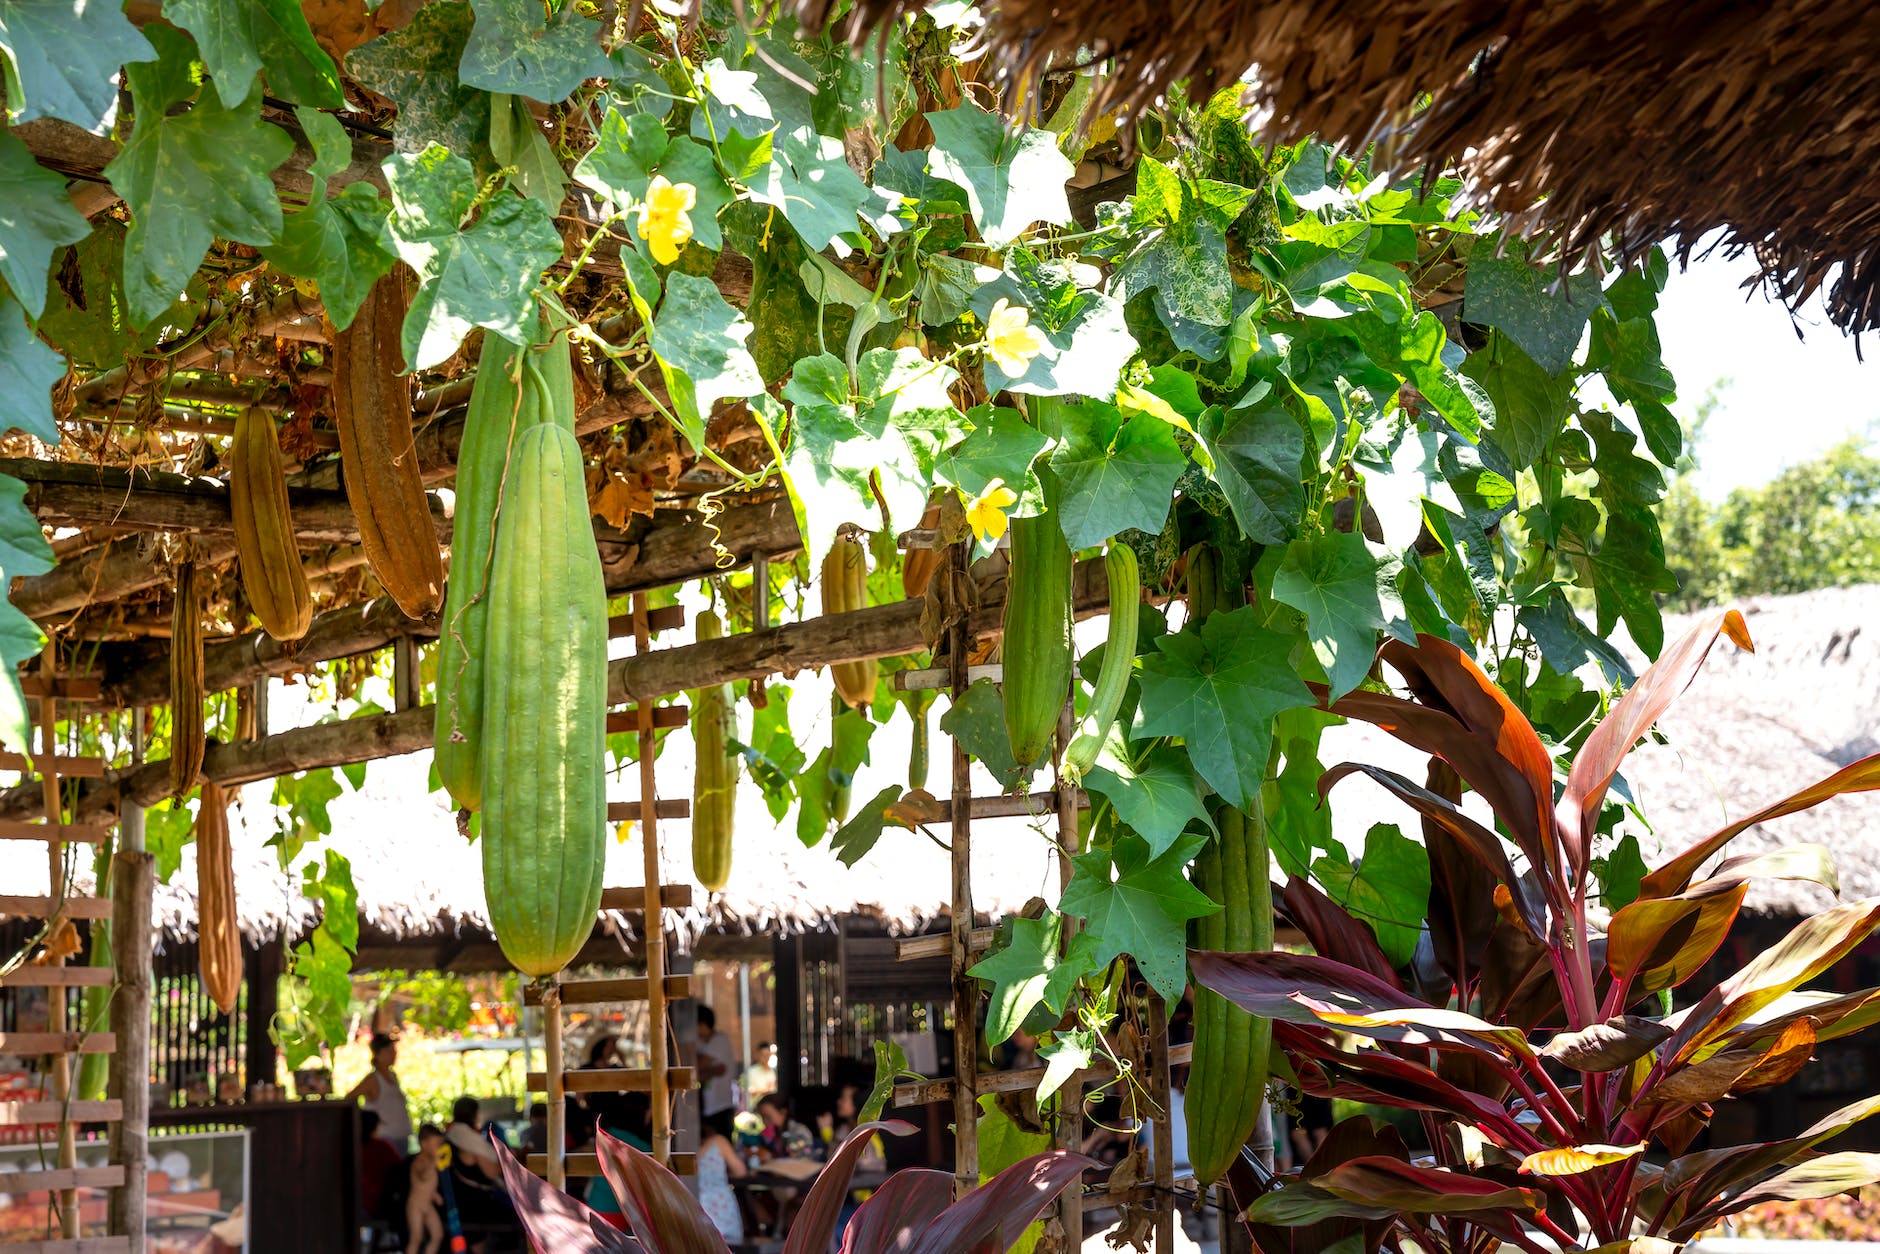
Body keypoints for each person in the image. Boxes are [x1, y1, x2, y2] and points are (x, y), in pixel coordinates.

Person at [345, 1033, 412, 1151]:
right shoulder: (373, 1079)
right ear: (379, 1054)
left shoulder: (393, 1076)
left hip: (401, 1136)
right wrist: (365, 1122)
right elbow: (348, 1099)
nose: (394, 1053)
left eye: (394, 1050)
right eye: (389, 1050)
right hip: (385, 1139)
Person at [697, 1123, 747, 1242]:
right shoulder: (719, 1141)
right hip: (720, 1204)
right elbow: (740, 1171)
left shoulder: (679, 1147)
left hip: (693, 1204)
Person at [696, 1007, 737, 1140]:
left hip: (721, 1106)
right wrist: (711, 1071)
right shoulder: (703, 1044)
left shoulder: (719, 1040)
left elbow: (697, 1066)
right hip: (711, 1107)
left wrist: (704, 1071)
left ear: (702, 1025)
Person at [406, 1124, 445, 1254]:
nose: (439, 1147)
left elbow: (427, 1184)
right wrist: (434, 1162)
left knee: (437, 1235)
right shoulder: (420, 1160)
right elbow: (423, 1177)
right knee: (416, 1238)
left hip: (427, 1204)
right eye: (436, 1144)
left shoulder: (430, 1160)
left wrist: (434, 1195)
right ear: (424, 1144)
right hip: (416, 1205)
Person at [358, 1110, 404, 1221]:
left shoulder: (351, 1148)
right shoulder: (382, 1148)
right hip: (378, 1204)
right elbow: (400, 1170)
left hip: (359, 1204)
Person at [754, 1092, 815, 1161]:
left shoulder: (799, 1132)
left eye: (768, 1117)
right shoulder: (771, 1134)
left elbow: (804, 1156)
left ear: (783, 1113)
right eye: (762, 1117)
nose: (764, 1121)